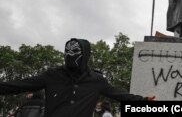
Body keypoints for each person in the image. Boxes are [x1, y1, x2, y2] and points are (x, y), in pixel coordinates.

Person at [0, 38, 154, 117]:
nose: (71, 57)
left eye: (75, 53)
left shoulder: (96, 80)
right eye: (68, 53)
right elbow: (19, 85)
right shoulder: (52, 76)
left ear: (85, 55)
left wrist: (144, 101)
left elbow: (120, 95)